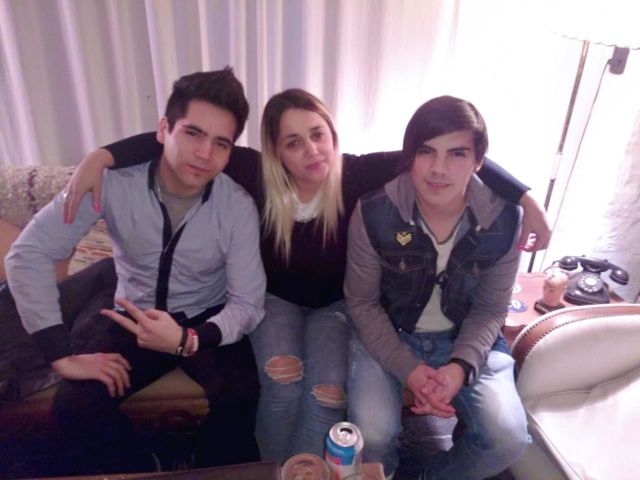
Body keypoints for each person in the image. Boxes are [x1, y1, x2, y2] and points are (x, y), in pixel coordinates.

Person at [61, 89, 547, 464]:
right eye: (293, 142)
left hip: (338, 307)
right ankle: (276, 469)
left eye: (318, 134)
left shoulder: (358, 174)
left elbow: (447, 154)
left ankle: (304, 471)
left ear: (332, 134)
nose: (311, 150)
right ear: (276, 152)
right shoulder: (254, 173)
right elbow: (177, 143)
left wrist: (525, 198)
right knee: (282, 380)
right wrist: (102, 156)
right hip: (273, 302)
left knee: (325, 394)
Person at [5, 68, 266, 474]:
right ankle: (153, 463)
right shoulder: (111, 184)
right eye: (193, 133)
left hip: (204, 317)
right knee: (75, 405)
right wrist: (60, 355)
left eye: (220, 143)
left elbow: (248, 302)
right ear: (163, 130)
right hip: (132, 313)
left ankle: (206, 465)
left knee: (240, 398)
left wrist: (189, 339)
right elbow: (28, 253)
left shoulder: (237, 207)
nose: (204, 154)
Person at [344, 95, 529, 479]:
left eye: (457, 154)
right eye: (426, 151)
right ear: (409, 156)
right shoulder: (374, 211)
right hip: (389, 332)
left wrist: (460, 366)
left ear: (478, 162)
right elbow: (361, 303)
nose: (438, 169)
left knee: (508, 437)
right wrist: (409, 368)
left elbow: (491, 309)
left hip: (465, 334)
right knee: (373, 434)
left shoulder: (505, 220)